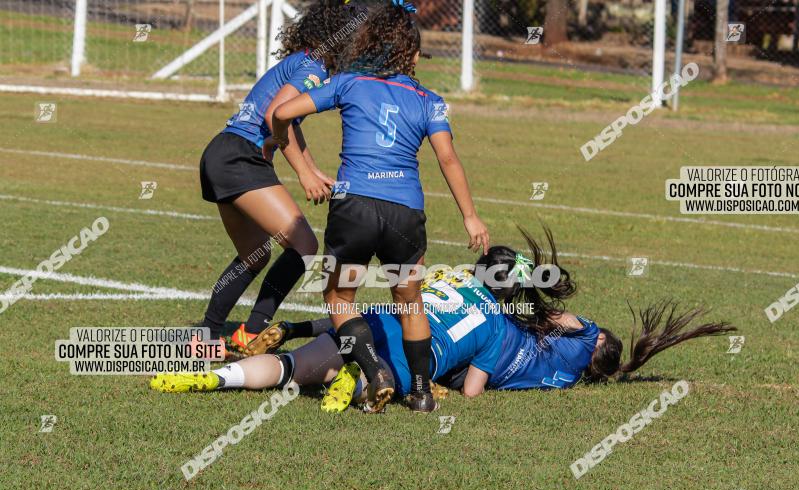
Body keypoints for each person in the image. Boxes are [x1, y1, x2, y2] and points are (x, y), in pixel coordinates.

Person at [151, 228, 736, 408]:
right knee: (307, 369)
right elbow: (478, 386)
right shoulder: (510, 337)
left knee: (343, 330)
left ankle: (281, 350)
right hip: (412, 361)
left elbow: (398, 301)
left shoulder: (464, 285)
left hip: (385, 321)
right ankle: (335, 373)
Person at [265, 1, 489, 414]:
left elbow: (281, 112)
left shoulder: (349, 82)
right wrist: (470, 216)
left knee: (338, 296)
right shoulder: (430, 100)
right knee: (410, 302)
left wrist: (283, 142)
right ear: (414, 56)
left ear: (367, 44)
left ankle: (374, 371)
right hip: (406, 214)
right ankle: (421, 394)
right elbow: (448, 159)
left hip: (355, 208)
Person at [196, 0, 359, 353]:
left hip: (222, 153)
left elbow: (290, 125)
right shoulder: (313, 68)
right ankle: (252, 331)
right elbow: (276, 116)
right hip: (241, 157)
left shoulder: (304, 60)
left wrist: (313, 169)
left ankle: (207, 336)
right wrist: (303, 175)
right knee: (305, 245)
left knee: (254, 253)